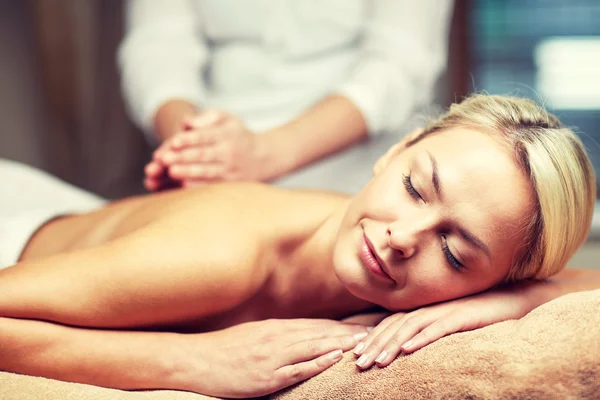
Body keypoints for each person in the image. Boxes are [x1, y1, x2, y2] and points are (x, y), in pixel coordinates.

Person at [0, 95, 598, 398]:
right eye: (415, 187)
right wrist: (192, 362)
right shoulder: (221, 257)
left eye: (455, 252)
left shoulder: (488, 286)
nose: (401, 238)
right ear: (397, 150)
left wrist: (502, 304)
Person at [118, 1, 454, 191]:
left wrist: (262, 155)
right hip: (210, 164)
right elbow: (158, 45)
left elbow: (399, 63)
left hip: (353, 171)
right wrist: (192, 153)